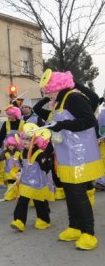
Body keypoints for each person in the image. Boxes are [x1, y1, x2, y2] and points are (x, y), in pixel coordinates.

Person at [36, 69, 105, 250]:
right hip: (66, 156)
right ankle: (74, 227)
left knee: (78, 194)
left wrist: (62, 125)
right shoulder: (59, 102)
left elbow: (89, 120)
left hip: (80, 156)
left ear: (55, 86)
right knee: (71, 194)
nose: (46, 93)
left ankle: (88, 233)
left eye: (47, 89)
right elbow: (55, 129)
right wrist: (47, 151)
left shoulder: (74, 98)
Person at [10, 123, 54, 232]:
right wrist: (19, 172)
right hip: (26, 183)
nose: (25, 141)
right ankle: (19, 221)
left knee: (40, 203)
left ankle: (43, 220)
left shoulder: (39, 153)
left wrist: (47, 162)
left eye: (29, 139)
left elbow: (46, 167)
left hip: (38, 184)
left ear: (35, 140)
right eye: (24, 139)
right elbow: (22, 166)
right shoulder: (22, 153)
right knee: (22, 202)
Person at [0, 105, 24, 189]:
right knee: (8, 167)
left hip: (20, 150)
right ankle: (11, 185)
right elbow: (1, 136)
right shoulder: (6, 123)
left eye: (10, 115)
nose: (8, 116)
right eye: (8, 115)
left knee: (19, 166)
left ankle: (20, 184)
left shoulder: (22, 123)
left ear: (15, 114)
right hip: (9, 150)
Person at [2, 135, 23, 201]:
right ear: (7, 145)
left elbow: (22, 161)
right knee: (10, 184)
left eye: (13, 145)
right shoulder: (5, 153)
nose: (11, 146)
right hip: (8, 172)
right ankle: (9, 196)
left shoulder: (19, 153)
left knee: (17, 184)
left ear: (15, 146)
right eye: (10, 145)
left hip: (17, 171)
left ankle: (15, 195)